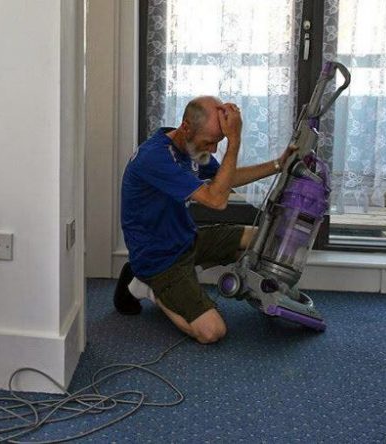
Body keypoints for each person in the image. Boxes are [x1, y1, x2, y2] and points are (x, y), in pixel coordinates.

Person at [116, 96, 292, 344]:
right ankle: (147, 287)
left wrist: (278, 165)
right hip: (159, 259)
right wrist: (234, 141)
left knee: (262, 237)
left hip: (186, 238)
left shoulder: (191, 147)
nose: (213, 150)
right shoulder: (154, 158)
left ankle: (176, 284)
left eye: (219, 142)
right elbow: (217, 200)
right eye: (210, 142)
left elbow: (225, 179)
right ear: (186, 127)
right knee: (212, 332)